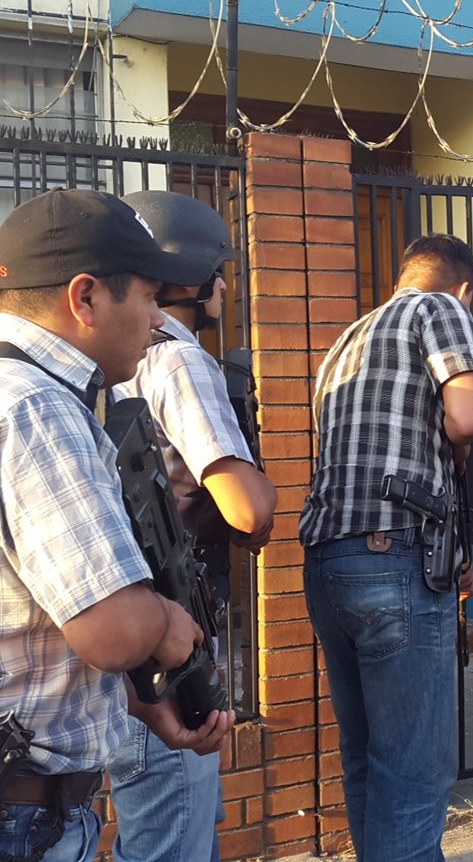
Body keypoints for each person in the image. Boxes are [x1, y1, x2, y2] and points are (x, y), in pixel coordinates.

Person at [0, 189, 233, 862]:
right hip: (24, 819)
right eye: (148, 297)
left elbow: (31, 619)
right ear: (86, 298)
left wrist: (139, 707)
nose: (158, 318)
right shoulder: (37, 408)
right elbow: (114, 628)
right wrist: (165, 622)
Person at [299, 234, 473, 862]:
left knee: (367, 760)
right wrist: (459, 443)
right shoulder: (440, 309)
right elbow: (468, 418)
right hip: (395, 557)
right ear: (462, 285)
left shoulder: (345, 340)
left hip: (329, 561)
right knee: (413, 770)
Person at [107, 191, 277, 862]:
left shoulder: (103, 364)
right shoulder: (177, 359)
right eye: (217, 268)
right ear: (185, 278)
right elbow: (248, 511)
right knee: (175, 837)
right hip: (172, 634)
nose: (226, 284)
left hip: (125, 629)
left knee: (151, 830)